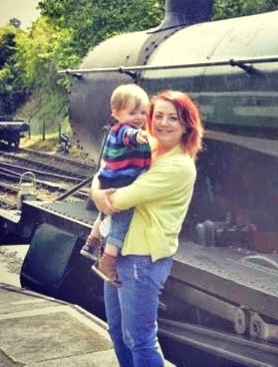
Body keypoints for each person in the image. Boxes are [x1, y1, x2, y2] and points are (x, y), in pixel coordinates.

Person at [91, 89, 204, 367]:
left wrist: (99, 194)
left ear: (187, 125)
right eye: (158, 116)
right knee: (117, 332)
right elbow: (104, 169)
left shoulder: (179, 165)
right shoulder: (149, 147)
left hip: (142, 259)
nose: (163, 123)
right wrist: (97, 191)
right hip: (120, 252)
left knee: (139, 339)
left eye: (173, 118)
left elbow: (119, 199)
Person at [80, 83, 152, 286]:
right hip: (121, 181)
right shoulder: (124, 130)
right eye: (132, 113)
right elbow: (128, 136)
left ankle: (91, 242)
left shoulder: (120, 128)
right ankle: (108, 261)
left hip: (110, 178)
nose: (139, 117)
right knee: (121, 220)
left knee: (104, 213)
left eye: (143, 112)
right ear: (116, 114)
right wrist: (139, 136)